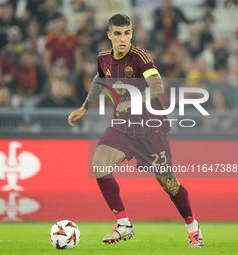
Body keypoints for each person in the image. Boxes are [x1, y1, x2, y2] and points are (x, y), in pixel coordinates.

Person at [67, 14, 204, 248]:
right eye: (118, 34)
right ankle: (123, 224)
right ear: (109, 35)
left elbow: (157, 87)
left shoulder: (140, 57)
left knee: (169, 184)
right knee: (99, 165)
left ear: (131, 33)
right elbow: (100, 80)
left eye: (127, 33)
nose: (123, 39)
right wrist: (85, 106)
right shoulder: (103, 59)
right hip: (122, 127)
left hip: (151, 130)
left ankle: (193, 228)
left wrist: (132, 100)